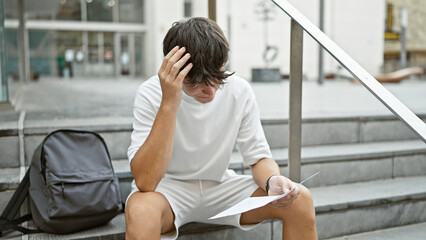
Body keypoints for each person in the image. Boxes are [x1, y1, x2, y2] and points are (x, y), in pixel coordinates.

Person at [125, 17, 317, 240]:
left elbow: (258, 157)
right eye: (195, 82)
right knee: (141, 210)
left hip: (220, 187)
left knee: (300, 199)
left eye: (216, 77)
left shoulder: (239, 91)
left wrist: (272, 180)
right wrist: (169, 102)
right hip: (167, 190)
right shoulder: (151, 93)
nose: (210, 91)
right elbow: (146, 182)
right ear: (174, 69)